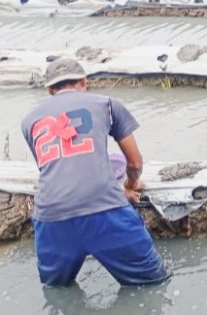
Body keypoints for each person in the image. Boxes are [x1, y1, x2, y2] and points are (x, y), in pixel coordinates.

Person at [21, 58, 170, 286]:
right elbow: (134, 163)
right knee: (152, 283)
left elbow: (51, 167)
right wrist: (129, 187)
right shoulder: (108, 105)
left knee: (57, 289)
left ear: (49, 89)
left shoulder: (28, 121)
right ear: (84, 81)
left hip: (51, 219)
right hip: (106, 212)